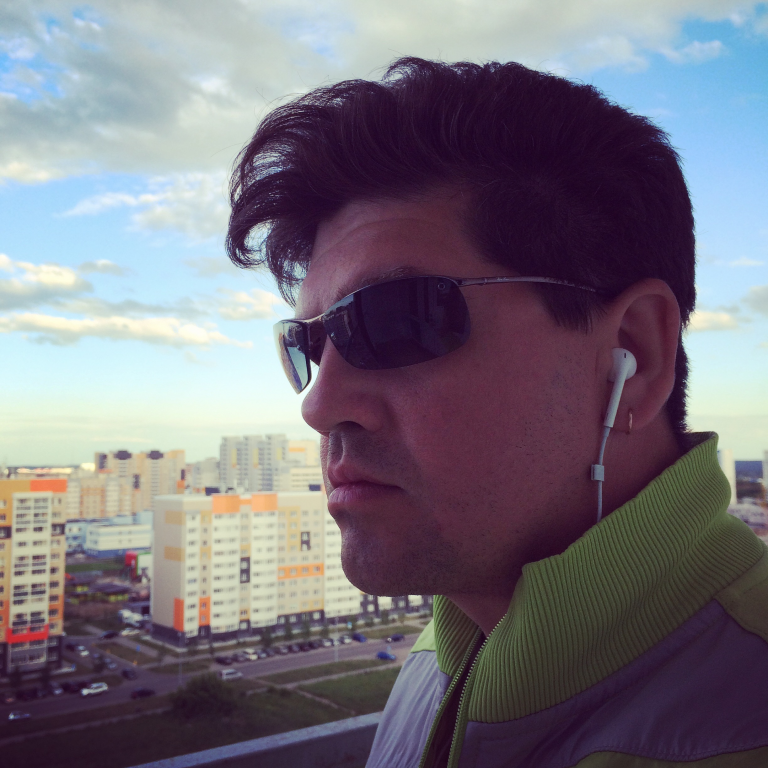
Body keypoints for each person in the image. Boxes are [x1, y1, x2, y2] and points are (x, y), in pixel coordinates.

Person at [226, 58, 768, 767]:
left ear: (633, 356)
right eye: (307, 345)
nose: (319, 405)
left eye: (394, 321)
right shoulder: (440, 659)